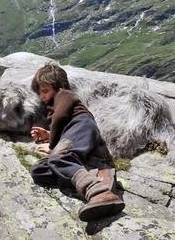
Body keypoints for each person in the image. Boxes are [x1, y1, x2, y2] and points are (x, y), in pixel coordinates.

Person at [29, 63, 125, 222]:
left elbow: (60, 119)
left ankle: (98, 192)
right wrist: (48, 134)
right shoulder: (56, 104)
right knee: (39, 170)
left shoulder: (64, 94)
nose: (42, 96)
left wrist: (52, 146)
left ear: (59, 87)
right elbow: (64, 129)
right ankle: (97, 176)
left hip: (82, 125)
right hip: (76, 131)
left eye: (45, 91)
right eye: (40, 93)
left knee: (58, 158)